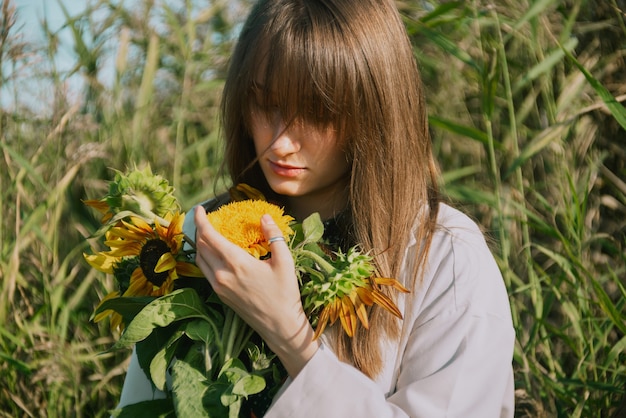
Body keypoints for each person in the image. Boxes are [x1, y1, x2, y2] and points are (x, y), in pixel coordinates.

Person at [116, 0, 515, 416]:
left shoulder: (446, 260)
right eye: (265, 103)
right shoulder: (203, 238)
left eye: (317, 110)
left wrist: (290, 336)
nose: (280, 142)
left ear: (376, 109)